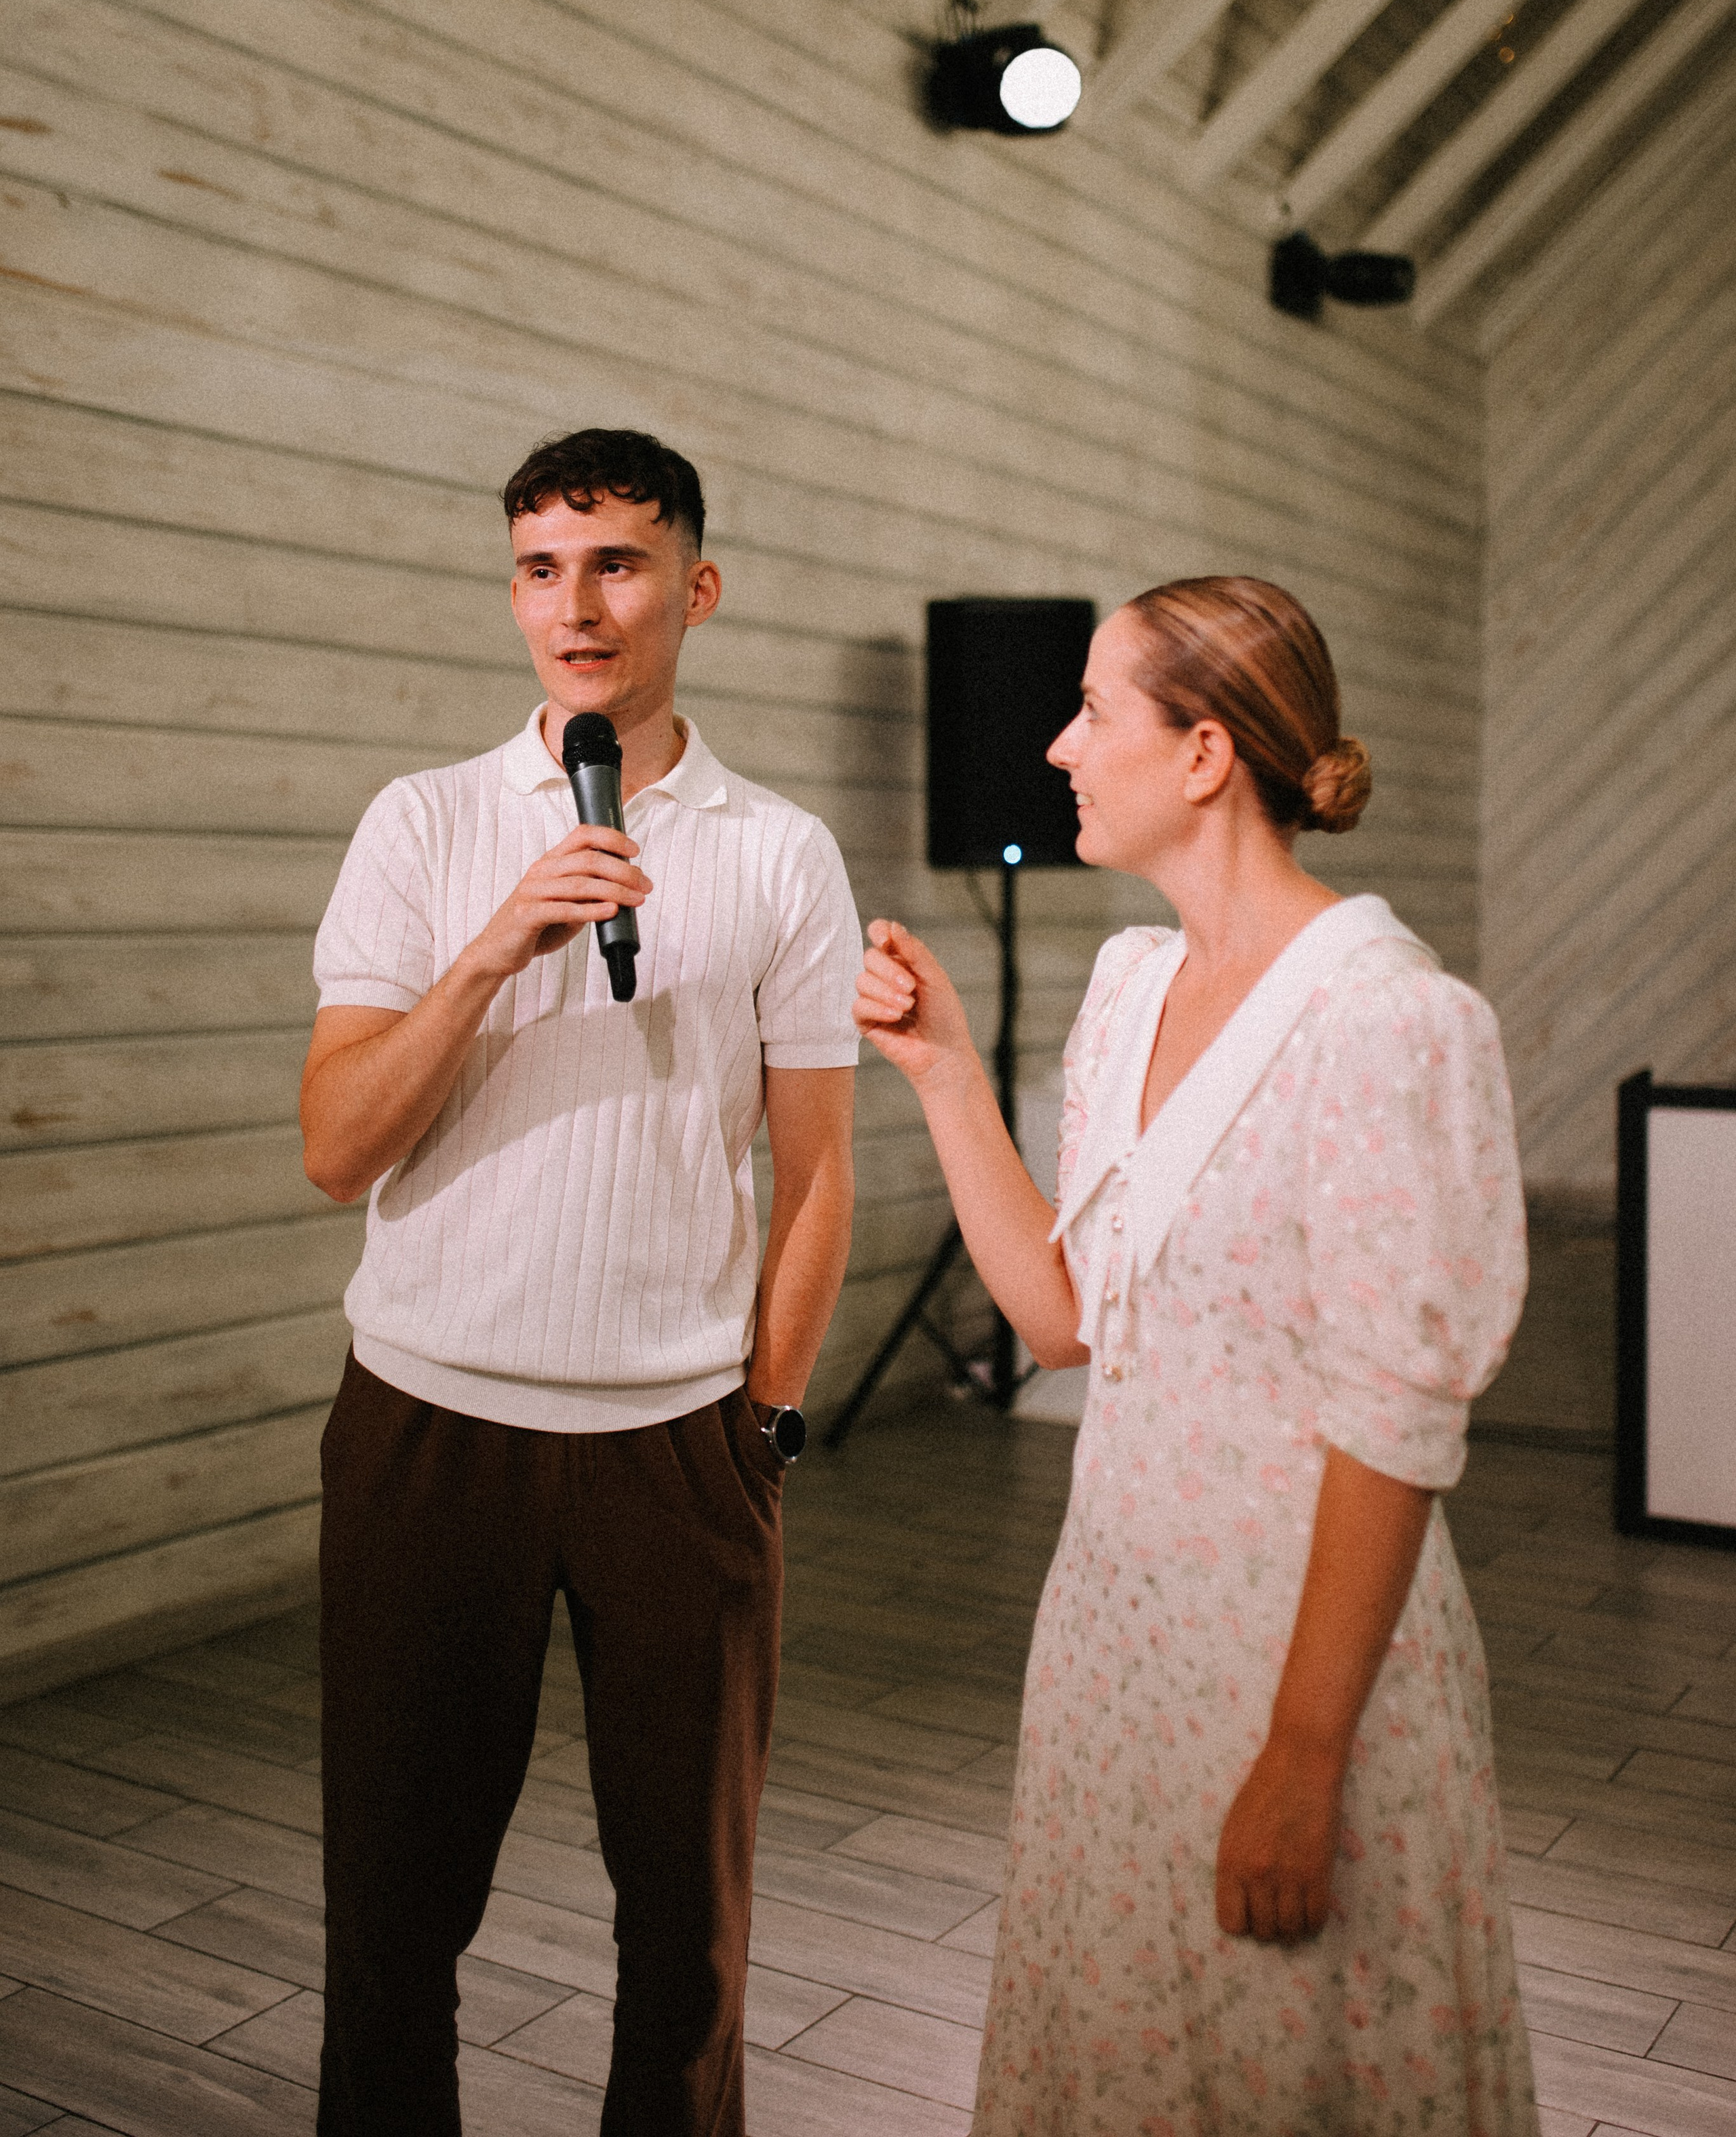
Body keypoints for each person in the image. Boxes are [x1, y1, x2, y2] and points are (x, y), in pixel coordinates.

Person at [854, 577, 1537, 2137]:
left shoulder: (1391, 1023)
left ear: (1205, 751)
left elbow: (1394, 1421)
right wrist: (947, 1072)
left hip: (1300, 1665)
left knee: (1283, 2063)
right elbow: (1059, 1320)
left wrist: (1301, 1756)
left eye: (1093, 710)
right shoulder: (1128, 985)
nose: (1055, 743)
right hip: (1115, 1636)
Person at [300, 427, 859, 2137]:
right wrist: (488, 952)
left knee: (684, 1936)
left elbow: (819, 1167)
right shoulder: (425, 823)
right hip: (424, 1426)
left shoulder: (778, 851)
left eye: (615, 562)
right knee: (393, 1918)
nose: (576, 603)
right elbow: (337, 1148)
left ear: (694, 586)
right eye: (541, 566)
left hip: (673, 1445)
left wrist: (758, 1418)